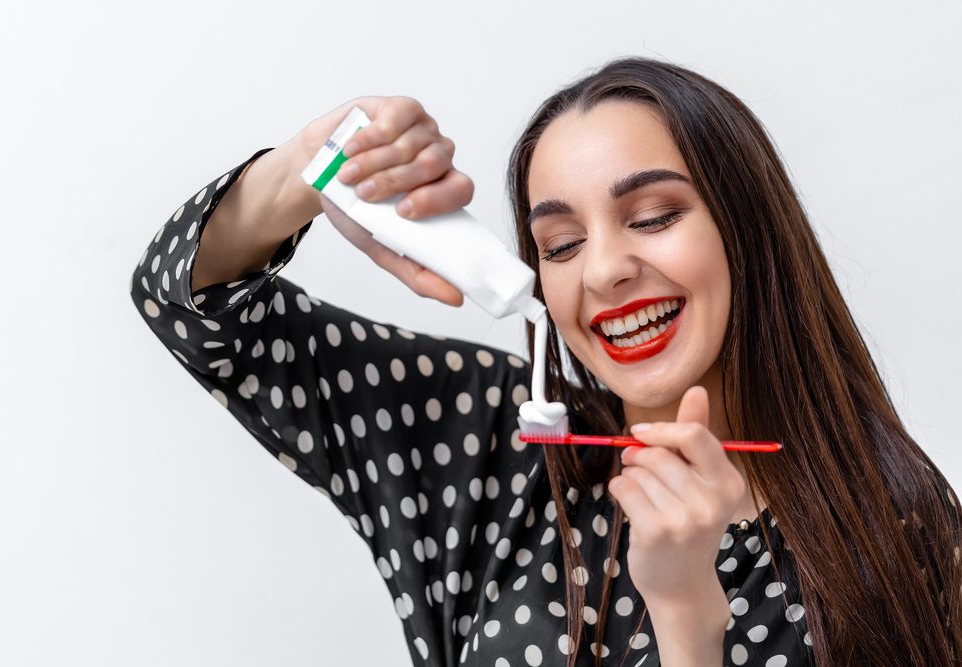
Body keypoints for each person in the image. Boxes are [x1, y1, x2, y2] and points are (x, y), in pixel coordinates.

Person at [130, 57, 961, 666]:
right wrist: (321, 162)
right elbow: (189, 303)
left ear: (749, 228)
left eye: (652, 216)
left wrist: (686, 620)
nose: (601, 272)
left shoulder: (895, 520)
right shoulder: (488, 444)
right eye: (560, 243)